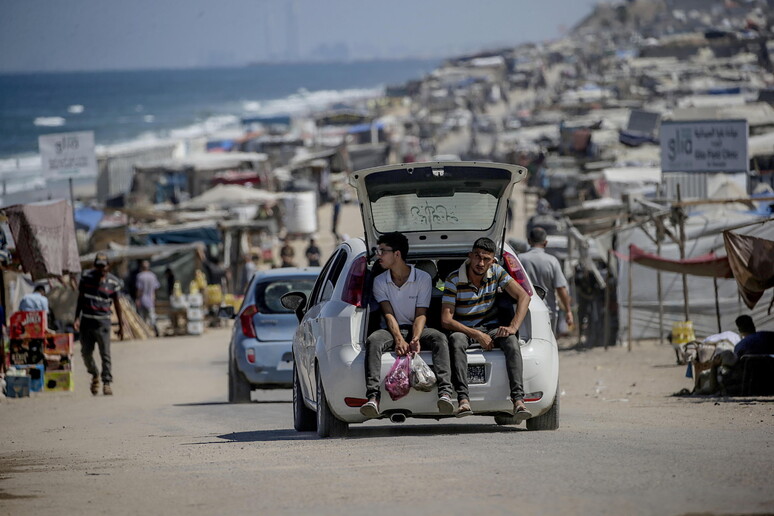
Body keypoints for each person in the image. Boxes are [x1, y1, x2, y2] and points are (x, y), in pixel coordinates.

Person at [360, 232, 455, 418]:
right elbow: (388, 314)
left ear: (397, 254)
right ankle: (373, 397)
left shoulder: (423, 278)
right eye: (378, 250)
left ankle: (445, 393)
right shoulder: (380, 281)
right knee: (373, 340)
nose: (378, 255)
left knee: (439, 338)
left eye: (383, 251)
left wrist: (416, 338)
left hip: (417, 328)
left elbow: (421, 314)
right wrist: (398, 339)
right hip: (392, 329)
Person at [441, 237, 531, 419]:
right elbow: (446, 320)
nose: (481, 263)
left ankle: (518, 401)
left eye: (486, 259)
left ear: (493, 261)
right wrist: (477, 335)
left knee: (512, 342)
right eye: (477, 257)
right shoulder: (454, 279)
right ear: (470, 256)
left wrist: (513, 327)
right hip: (465, 330)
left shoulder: (497, 272)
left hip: (491, 328)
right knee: (456, 340)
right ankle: (463, 400)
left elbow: (524, 296)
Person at [74, 252, 125, 396]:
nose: (101, 269)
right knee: (85, 353)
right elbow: (80, 299)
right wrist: (76, 318)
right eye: (98, 266)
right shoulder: (86, 279)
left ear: (108, 267)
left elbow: (117, 305)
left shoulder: (114, 283)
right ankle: (94, 373)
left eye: (104, 266)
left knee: (105, 355)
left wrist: (121, 326)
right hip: (87, 323)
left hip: (103, 323)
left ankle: (107, 382)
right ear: (94, 266)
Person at [518, 227, 574, 333]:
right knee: (548, 345)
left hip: (524, 312)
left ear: (529, 241)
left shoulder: (520, 260)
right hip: (548, 312)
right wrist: (568, 311)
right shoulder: (552, 261)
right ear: (545, 242)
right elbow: (561, 288)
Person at [135, 260, 160, 337]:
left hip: (143, 299)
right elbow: (156, 288)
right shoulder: (153, 276)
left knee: (143, 317)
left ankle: (145, 332)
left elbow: (140, 289)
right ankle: (155, 328)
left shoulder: (140, 276)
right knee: (152, 316)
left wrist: (137, 299)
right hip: (151, 299)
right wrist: (155, 298)